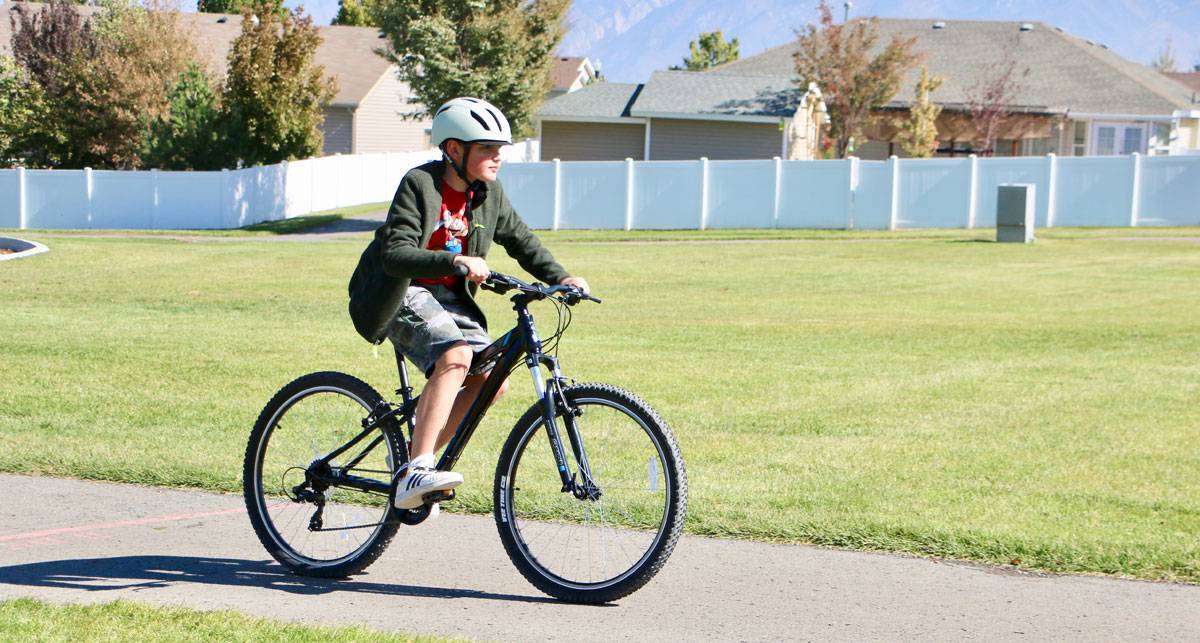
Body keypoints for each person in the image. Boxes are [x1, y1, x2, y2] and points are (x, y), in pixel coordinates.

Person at [348, 97, 589, 510]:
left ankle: (409, 460)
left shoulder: (489, 195)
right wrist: (455, 260)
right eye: (487, 149)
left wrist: (561, 277)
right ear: (454, 150)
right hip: (399, 290)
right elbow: (395, 253)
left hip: (448, 299)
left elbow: (521, 240)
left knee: (493, 377)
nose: (497, 157)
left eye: (500, 149)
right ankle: (417, 470)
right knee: (456, 356)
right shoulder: (419, 184)